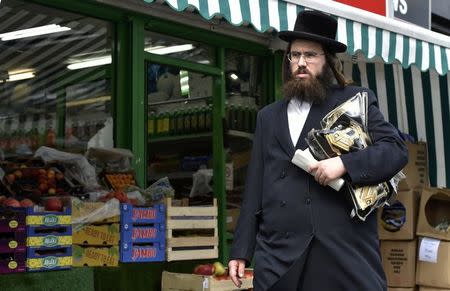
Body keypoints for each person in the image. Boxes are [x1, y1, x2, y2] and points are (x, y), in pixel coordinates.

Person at [228, 10, 408, 291]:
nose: (301, 63)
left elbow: (396, 150)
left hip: (338, 256)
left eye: (310, 55)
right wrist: (241, 250)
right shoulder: (267, 116)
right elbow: (255, 188)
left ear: (327, 62)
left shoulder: (354, 100)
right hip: (277, 258)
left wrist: (344, 164)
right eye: (295, 55)